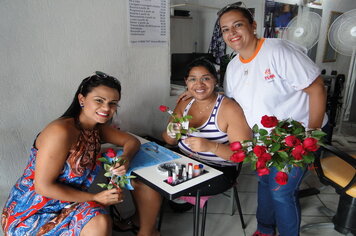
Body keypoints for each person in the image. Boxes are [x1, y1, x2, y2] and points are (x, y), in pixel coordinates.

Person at [179, 3, 328, 236]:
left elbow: (317, 88)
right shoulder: (235, 66)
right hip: (264, 141)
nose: (232, 33)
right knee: (265, 184)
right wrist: (198, 90)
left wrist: (311, 136)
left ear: (253, 26)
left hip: (298, 137)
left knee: (281, 192)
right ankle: (265, 230)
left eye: (238, 25)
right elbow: (234, 100)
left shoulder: (277, 51)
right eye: (225, 29)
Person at [1, 72, 161, 236]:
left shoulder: (95, 129)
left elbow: (131, 141)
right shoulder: (61, 131)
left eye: (113, 103)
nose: (107, 108)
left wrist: (125, 158)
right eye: (99, 100)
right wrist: (95, 197)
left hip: (70, 203)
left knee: (100, 220)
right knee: (99, 218)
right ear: (82, 99)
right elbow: (43, 187)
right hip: (33, 212)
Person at [162, 58, 252, 197]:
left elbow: (242, 155)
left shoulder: (229, 109)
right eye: (193, 79)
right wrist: (173, 132)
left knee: (167, 186)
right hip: (185, 161)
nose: (199, 84)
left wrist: (211, 146)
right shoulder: (185, 103)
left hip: (218, 169)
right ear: (186, 82)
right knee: (154, 180)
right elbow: (170, 141)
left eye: (205, 78)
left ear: (215, 80)